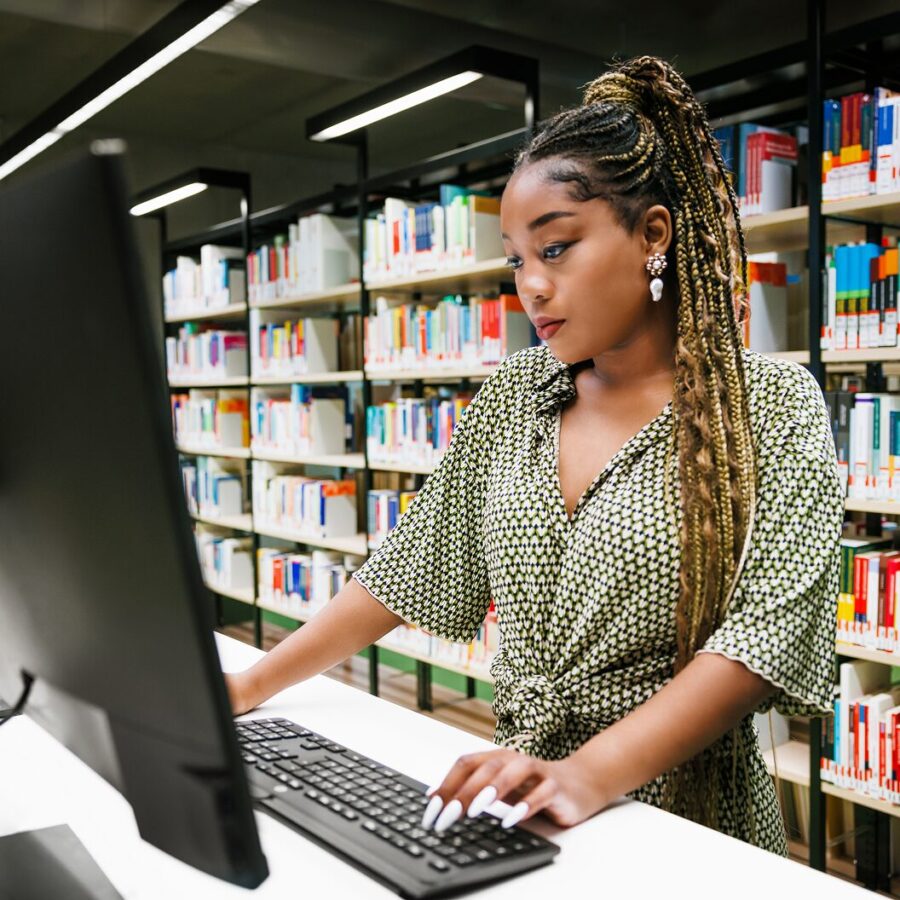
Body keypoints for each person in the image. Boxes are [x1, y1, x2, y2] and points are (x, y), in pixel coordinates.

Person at [226, 55, 843, 855]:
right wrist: (249, 683)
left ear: (652, 233)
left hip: (682, 824)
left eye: (556, 249)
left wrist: (587, 773)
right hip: (519, 801)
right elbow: (411, 566)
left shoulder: (771, 406)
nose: (531, 287)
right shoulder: (518, 392)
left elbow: (758, 645)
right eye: (517, 259)